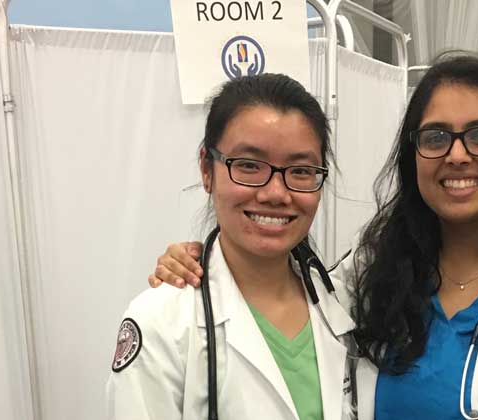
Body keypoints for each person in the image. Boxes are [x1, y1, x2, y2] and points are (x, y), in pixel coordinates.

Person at [150, 55, 478, 419]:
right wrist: (201, 258)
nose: (457, 155)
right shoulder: (372, 273)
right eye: (435, 137)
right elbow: (276, 280)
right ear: (413, 157)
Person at [106, 73, 358, 420]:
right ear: (206, 169)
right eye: (249, 166)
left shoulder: (340, 305)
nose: (275, 194)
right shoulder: (161, 322)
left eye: (300, 170)